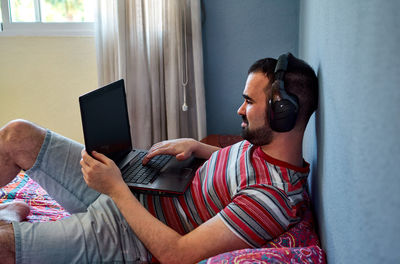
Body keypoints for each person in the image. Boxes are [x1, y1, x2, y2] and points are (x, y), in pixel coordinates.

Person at [0, 53, 318, 264]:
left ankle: (13, 217)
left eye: (249, 102)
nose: (239, 110)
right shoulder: (263, 149)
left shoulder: (270, 199)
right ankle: (13, 213)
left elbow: (176, 255)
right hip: (135, 193)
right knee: (17, 134)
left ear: (282, 113)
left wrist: (116, 190)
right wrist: (196, 146)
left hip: (131, 235)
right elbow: (237, 171)